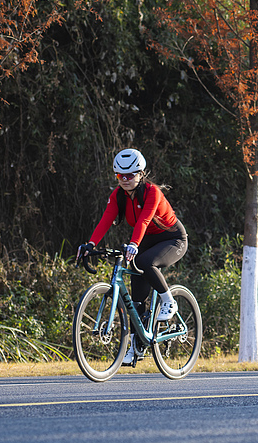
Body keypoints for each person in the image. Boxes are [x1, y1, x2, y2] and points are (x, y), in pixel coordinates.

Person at [76, 148, 188, 365]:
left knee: (145, 262)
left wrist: (134, 244)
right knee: (136, 299)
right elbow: (105, 221)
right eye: (120, 176)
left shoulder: (152, 192)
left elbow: (144, 221)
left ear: (141, 174)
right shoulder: (117, 196)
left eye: (130, 175)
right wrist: (90, 245)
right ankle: (136, 347)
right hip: (145, 240)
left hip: (172, 239)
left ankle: (169, 301)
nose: (125, 180)